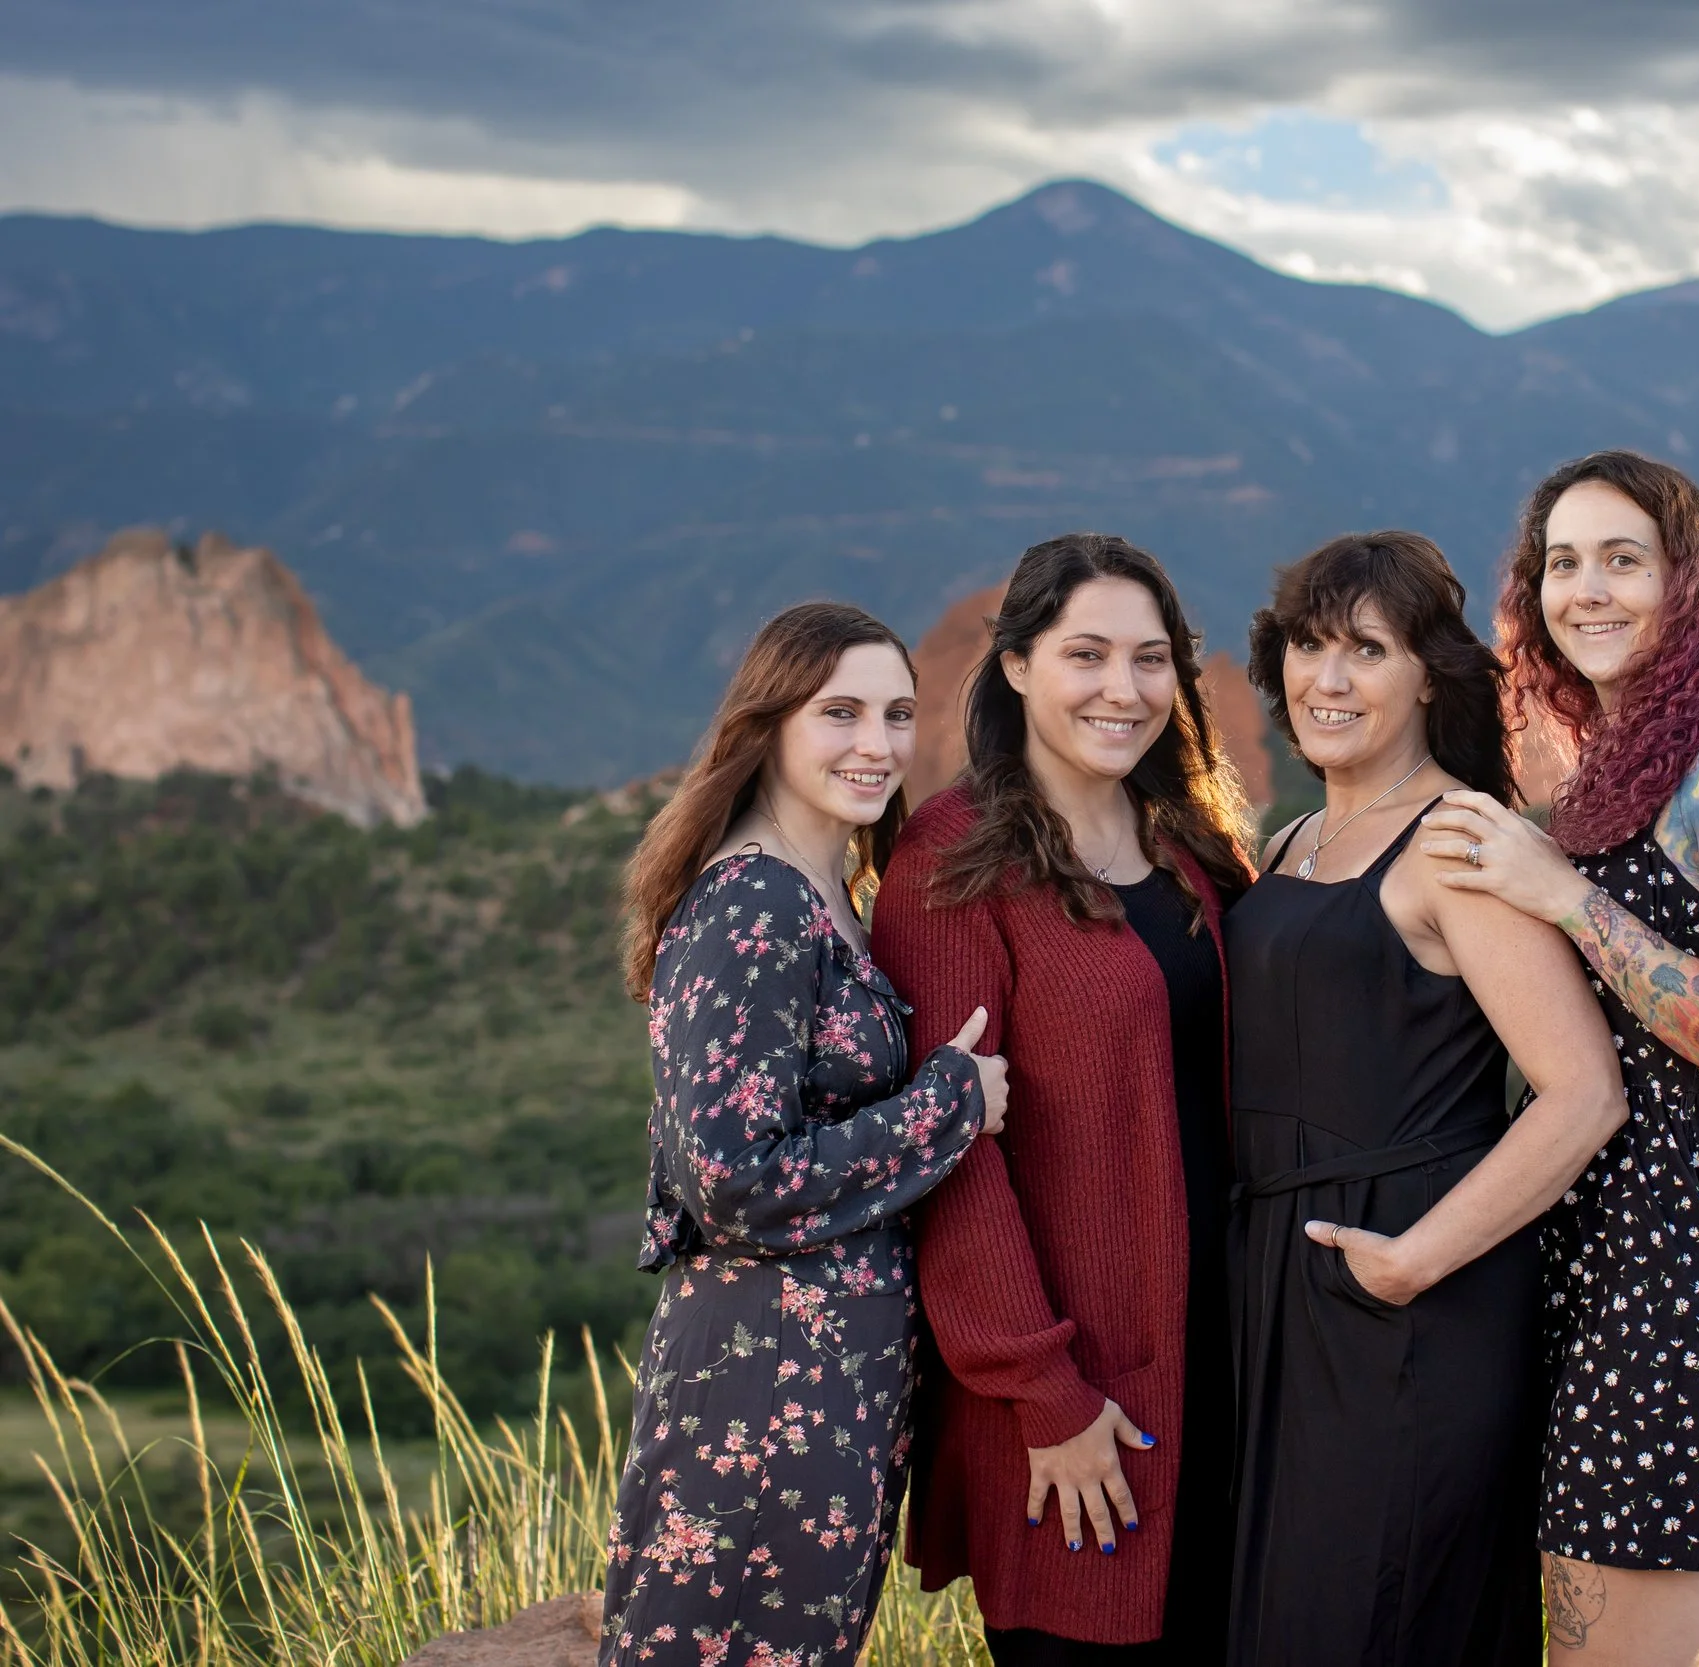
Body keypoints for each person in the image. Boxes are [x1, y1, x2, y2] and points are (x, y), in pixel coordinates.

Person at [1416, 452, 1699, 1667]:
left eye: (1622, 559)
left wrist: (1563, 895)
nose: (1586, 589)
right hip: (1610, 1246)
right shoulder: (1604, 772)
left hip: (1697, 1255)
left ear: (1689, 585)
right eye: (1562, 562)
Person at [1225, 531, 1628, 1667]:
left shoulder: (1456, 839)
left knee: (1375, 1619)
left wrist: (1408, 1260)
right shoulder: (1293, 839)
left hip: (1409, 1296)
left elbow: (1581, 1092)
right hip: (1277, 1292)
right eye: (1309, 646)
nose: (1328, 678)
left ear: (1427, 676)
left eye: (1366, 648)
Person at [870, 534, 1257, 1664]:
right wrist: (1045, 1395)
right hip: (1079, 1403)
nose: (1122, 688)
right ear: (1019, 665)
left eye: (1150, 659)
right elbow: (948, 1159)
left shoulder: (1186, 838)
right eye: (1085, 652)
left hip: (1223, 1370)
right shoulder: (955, 858)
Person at [601, 602, 1011, 1667]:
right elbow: (728, 1176)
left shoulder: (831, 887)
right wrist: (950, 1102)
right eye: (840, 713)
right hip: (761, 1376)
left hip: (835, 1376)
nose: (876, 745)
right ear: (770, 724)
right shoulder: (753, 901)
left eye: (896, 714)